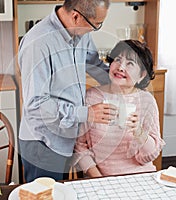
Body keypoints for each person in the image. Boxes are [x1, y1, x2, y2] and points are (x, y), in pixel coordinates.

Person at [18, 0, 117, 183]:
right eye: (96, 25)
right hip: (43, 143)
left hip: (65, 138)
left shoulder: (80, 32)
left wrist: (120, 82)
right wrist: (86, 113)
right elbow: (35, 104)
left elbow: (93, 64)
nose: (96, 29)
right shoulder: (38, 43)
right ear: (76, 16)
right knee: (46, 195)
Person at [72, 40, 166, 177]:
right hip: (101, 179)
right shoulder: (92, 97)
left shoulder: (147, 101)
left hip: (140, 177)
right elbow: (80, 147)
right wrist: (100, 179)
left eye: (130, 63)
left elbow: (150, 155)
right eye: (117, 59)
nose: (120, 67)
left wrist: (139, 133)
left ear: (142, 75)